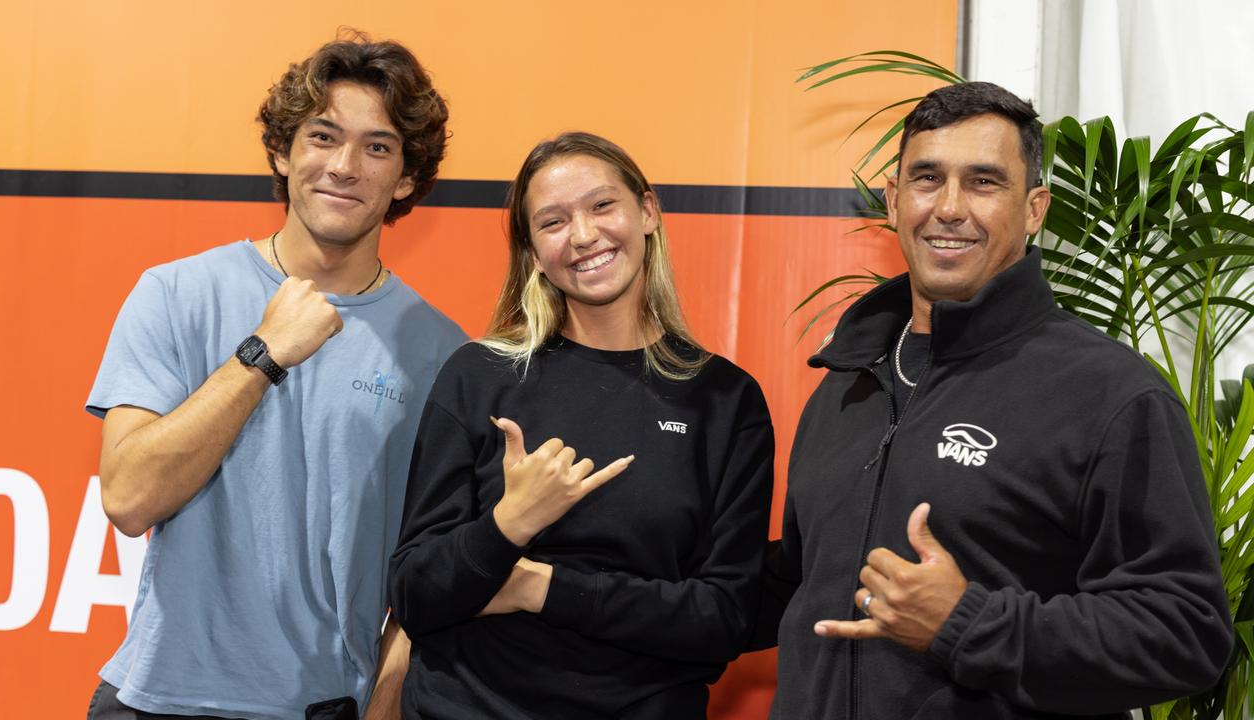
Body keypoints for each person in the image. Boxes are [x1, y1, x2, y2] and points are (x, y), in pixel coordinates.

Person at [754, 81, 1233, 719]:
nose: (949, 208)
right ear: (894, 201)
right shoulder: (847, 380)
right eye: (927, 178)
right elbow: (794, 585)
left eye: (983, 182)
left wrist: (966, 623)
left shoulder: (1111, 394)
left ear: (1035, 209)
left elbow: (1187, 635)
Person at [84, 34, 466, 720]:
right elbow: (130, 495)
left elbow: (431, 572)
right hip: (154, 700)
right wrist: (263, 352)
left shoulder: (442, 353)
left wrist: (381, 704)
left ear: (406, 178)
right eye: (323, 136)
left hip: (322, 706)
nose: (344, 166)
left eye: (377, 147)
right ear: (284, 152)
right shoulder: (176, 293)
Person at [388, 131, 775, 719]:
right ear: (532, 251)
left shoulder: (724, 400)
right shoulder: (480, 376)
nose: (583, 235)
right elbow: (415, 595)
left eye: (601, 206)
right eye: (552, 222)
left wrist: (537, 587)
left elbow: (722, 619)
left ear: (647, 211)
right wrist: (508, 524)